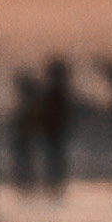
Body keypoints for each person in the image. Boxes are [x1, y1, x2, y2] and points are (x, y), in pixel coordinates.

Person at [39, 55, 75, 190]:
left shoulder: (57, 92)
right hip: (54, 127)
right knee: (55, 155)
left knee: (55, 155)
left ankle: (56, 179)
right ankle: (56, 178)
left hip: (56, 127)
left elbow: (62, 110)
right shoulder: (57, 91)